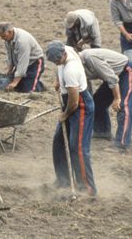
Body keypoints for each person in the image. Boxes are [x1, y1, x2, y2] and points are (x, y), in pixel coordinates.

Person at [47, 41, 97, 196]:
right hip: (68, 100)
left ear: (64, 55)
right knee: (59, 142)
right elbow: (58, 66)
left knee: (78, 148)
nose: (57, 63)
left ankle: (87, 189)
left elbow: (74, 102)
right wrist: (58, 79)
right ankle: (64, 180)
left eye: (58, 61)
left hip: (80, 106)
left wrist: (65, 115)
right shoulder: (65, 49)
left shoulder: (71, 70)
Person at [79, 48, 132, 150]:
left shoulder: (90, 58)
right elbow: (85, 83)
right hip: (113, 76)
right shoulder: (75, 65)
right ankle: (102, 132)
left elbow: (112, 78)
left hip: (126, 71)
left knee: (123, 106)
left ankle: (122, 144)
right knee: (97, 102)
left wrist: (117, 98)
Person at [0, 22, 45, 92]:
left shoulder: (22, 41)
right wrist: (10, 70)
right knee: (14, 86)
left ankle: (39, 85)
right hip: (19, 63)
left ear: (9, 32)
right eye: (0, 36)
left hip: (34, 63)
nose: (2, 38)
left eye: (3, 36)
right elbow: (10, 55)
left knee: (28, 90)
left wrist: (15, 82)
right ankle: (30, 80)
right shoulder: (7, 39)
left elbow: (23, 62)